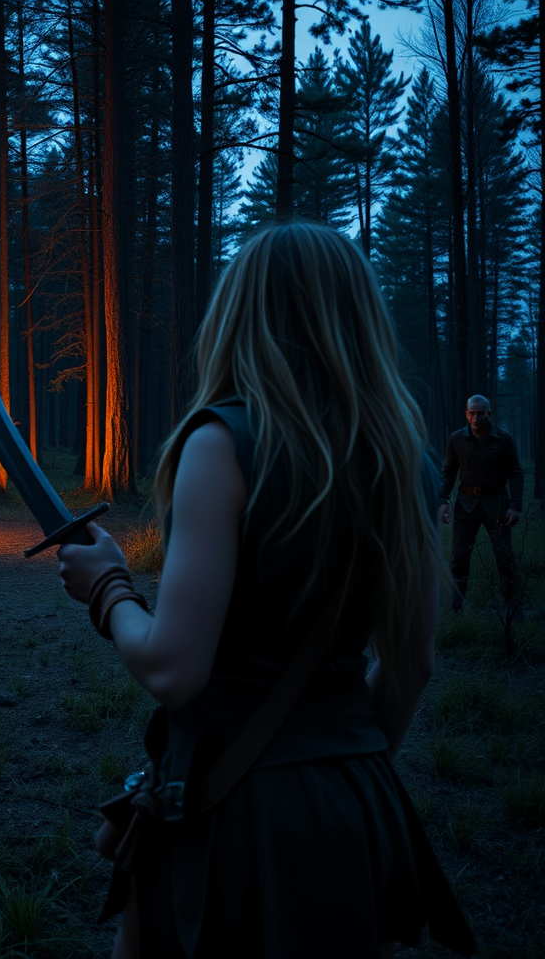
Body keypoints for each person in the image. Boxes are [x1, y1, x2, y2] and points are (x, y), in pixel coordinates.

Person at [58, 221, 473, 958]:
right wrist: (340, 764)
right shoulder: (407, 461)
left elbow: (172, 669)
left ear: (241, 316)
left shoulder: (222, 442)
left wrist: (108, 588)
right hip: (361, 801)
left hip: (241, 817)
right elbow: (413, 665)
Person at [438, 395, 523, 615]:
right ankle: (454, 610)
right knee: (458, 559)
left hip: (497, 506)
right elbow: (448, 472)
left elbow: (515, 473)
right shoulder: (457, 439)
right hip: (466, 506)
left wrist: (515, 506)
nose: (476, 417)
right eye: (471, 412)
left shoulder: (504, 439)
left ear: (489, 413)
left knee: (504, 557)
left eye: (480, 412)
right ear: (466, 414)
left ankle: (513, 609)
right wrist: (443, 501)